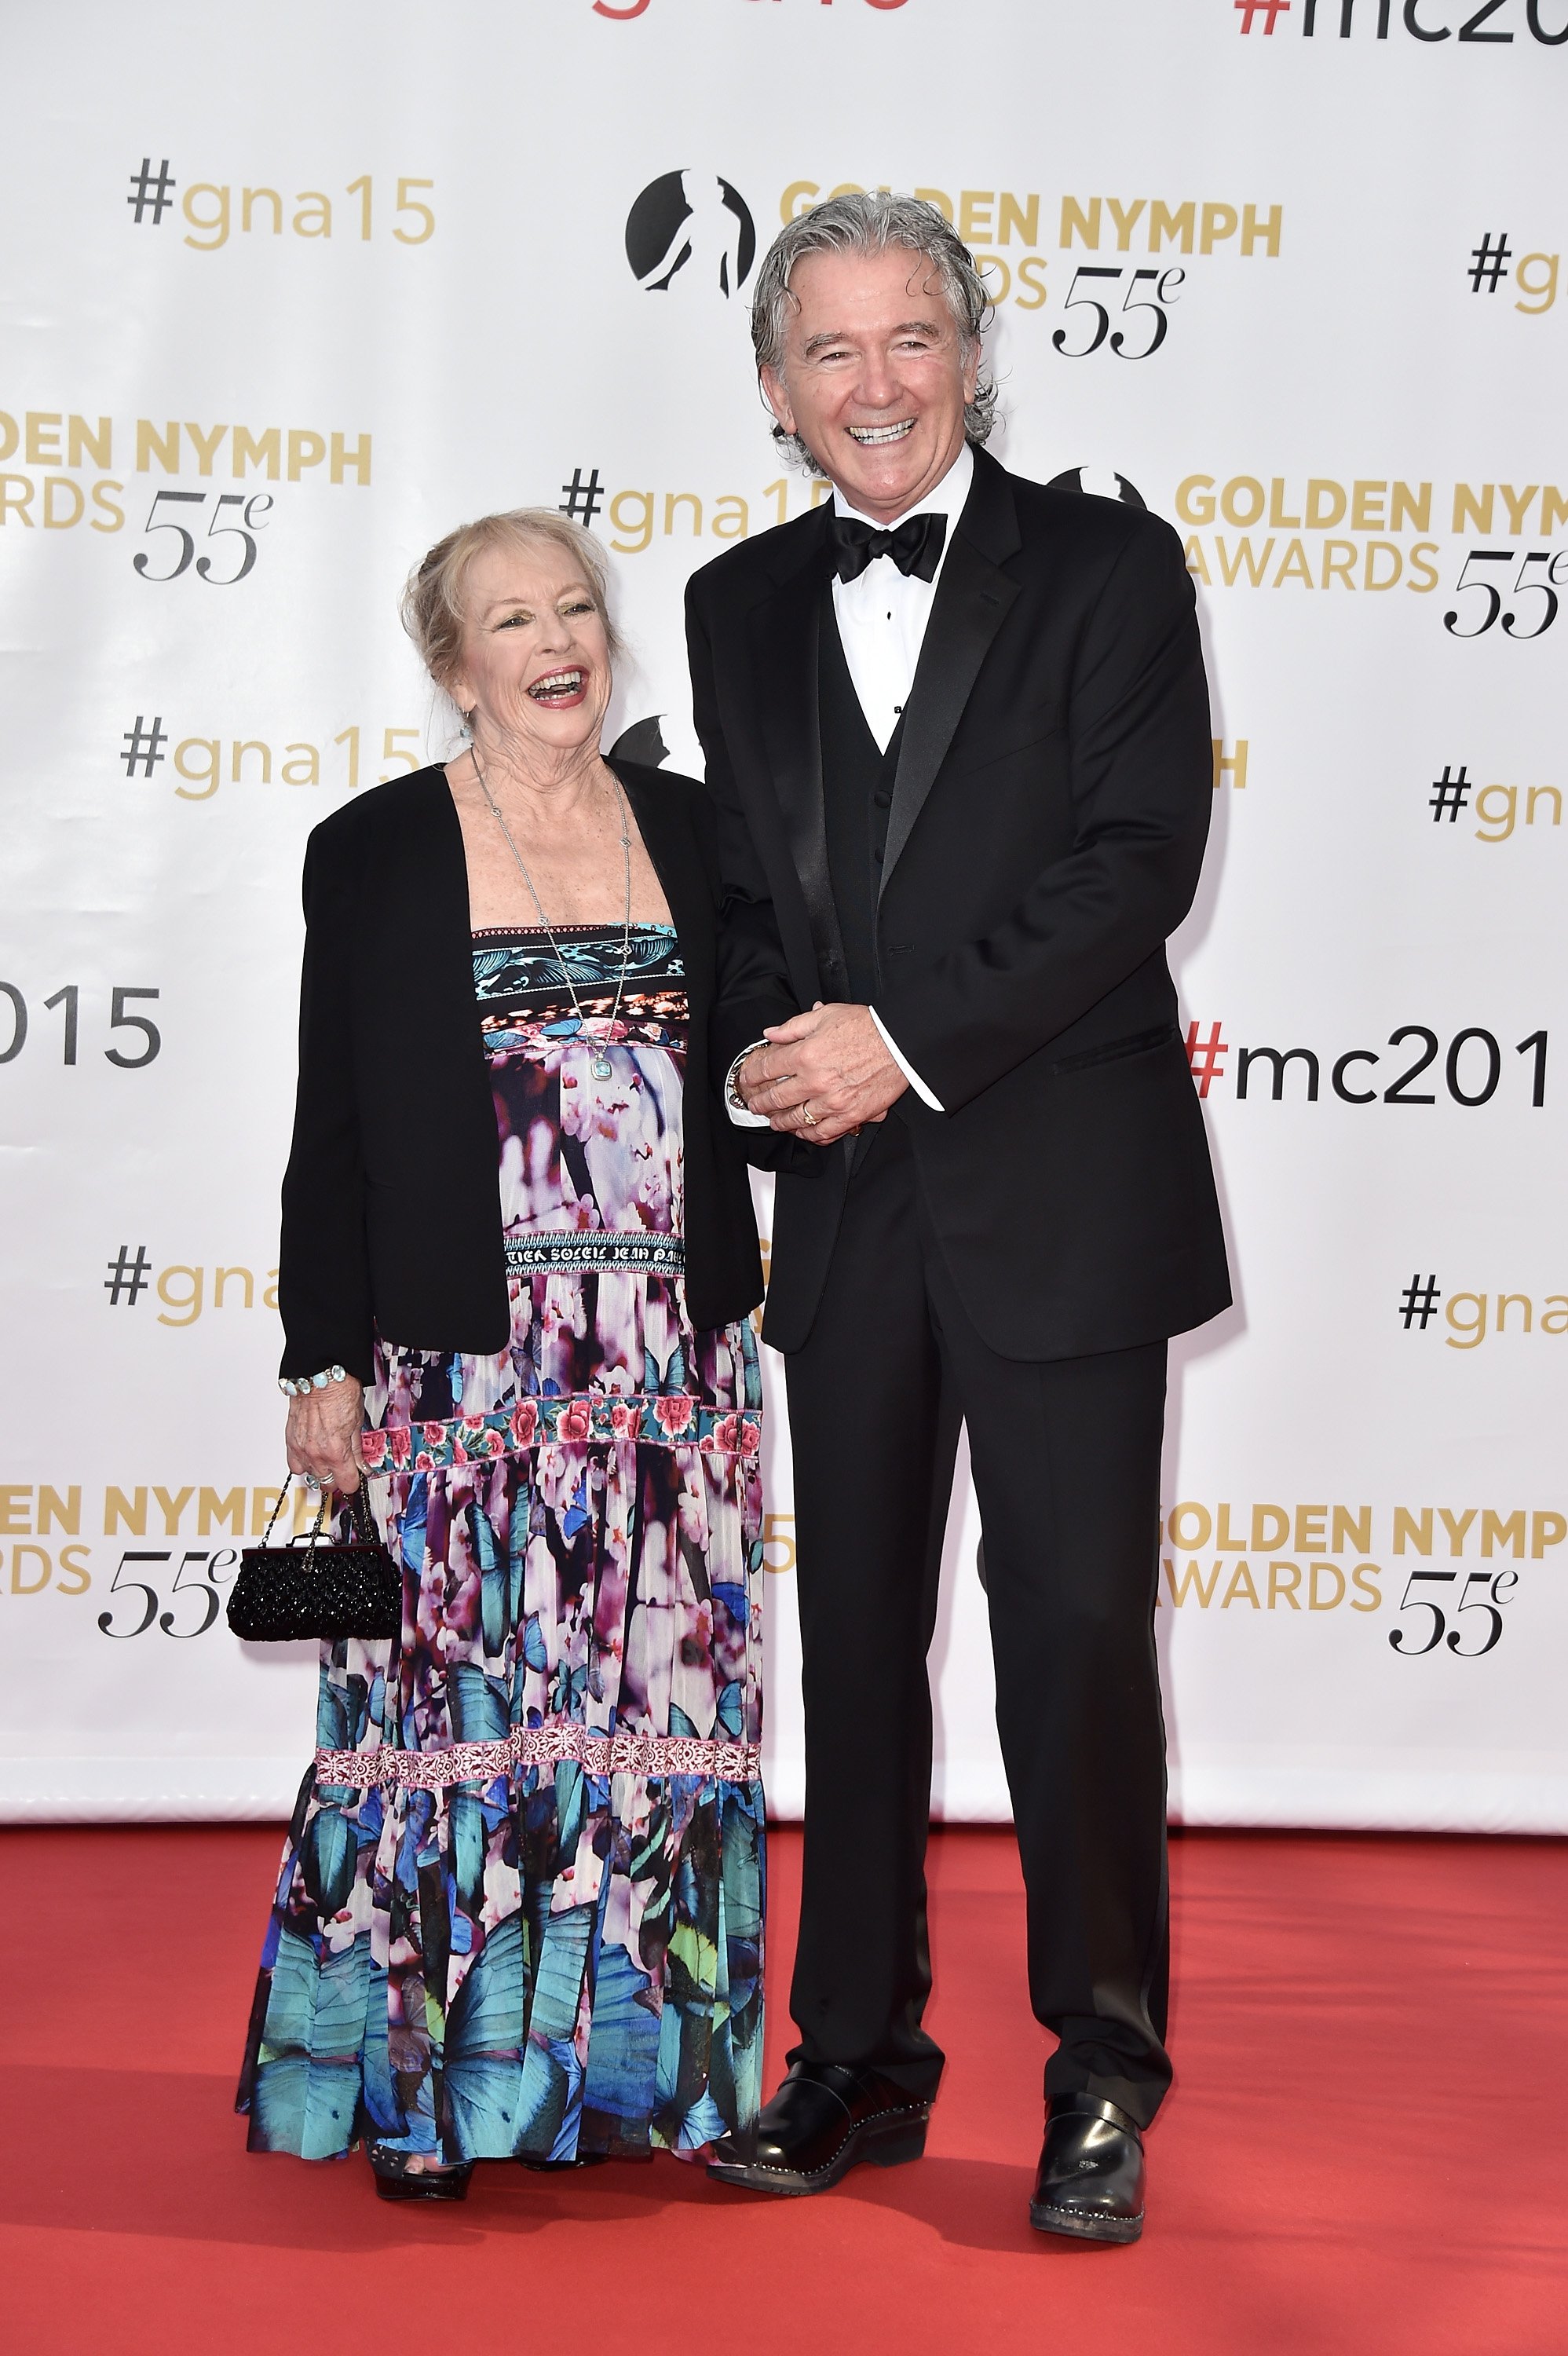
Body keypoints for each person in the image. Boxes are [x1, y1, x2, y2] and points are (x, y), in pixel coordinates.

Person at [685, 194, 1230, 2243]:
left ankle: (1098, 2076)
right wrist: (760, 1050)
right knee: (853, 1652)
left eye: (908, 339)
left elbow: (1131, 865)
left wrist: (893, 1040)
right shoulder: (735, 604)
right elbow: (735, 896)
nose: (875, 386)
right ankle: (853, 2056)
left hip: (1058, 1194)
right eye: (829, 353)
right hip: (843, 1206)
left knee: (1073, 1641)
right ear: (771, 390)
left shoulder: (1108, 565)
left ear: (971, 353)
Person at [236, 510, 767, 2201]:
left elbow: (760, 1059)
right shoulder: (376, 847)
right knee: (446, 1706)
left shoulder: (696, 828)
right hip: (462, 1368)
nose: (558, 642)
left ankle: (615, 2082)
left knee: (647, 1710)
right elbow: (332, 1126)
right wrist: (320, 1362)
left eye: (577, 610)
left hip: (673, 1368)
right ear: (456, 667)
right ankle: (430, 2092)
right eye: (512, 620)